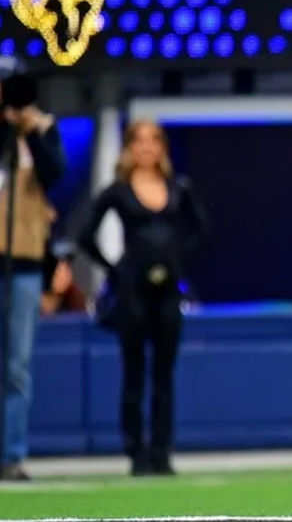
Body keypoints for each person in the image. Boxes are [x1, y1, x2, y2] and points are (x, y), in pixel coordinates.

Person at [76, 121, 209, 477]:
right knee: (134, 372)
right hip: (133, 291)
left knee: (164, 374)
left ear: (163, 147)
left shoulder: (179, 189)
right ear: (131, 147)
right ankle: (136, 451)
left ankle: (163, 450)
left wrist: (176, 261)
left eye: (155, 141)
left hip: (167, 291)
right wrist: (116, 269)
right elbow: (84, 235)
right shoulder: (118, 191)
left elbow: (200, 228)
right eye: (141, 141)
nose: (148, 148)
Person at [0, 65, 66, 482]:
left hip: (23, 263)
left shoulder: (41, 129)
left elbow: (53, 175)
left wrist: (29, 130)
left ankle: (12, 454)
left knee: (17, 367)